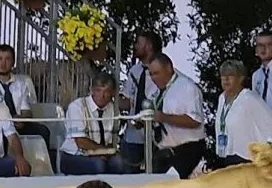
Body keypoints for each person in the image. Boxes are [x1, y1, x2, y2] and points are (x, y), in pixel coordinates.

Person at [212, 59, 272, 168]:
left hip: (245, 159)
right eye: (223, 75)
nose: (226, 79)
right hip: (226, 155)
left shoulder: (249, 98)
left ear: (240, 78)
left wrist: (268, 151)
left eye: (230, 75)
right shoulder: (222, 98)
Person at [0, 44, 52, 159]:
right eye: (0, 59)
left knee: (43, 131)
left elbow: (26, 110)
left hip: (16, 123)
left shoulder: (20, 83)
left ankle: (42, 165)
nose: (3, 63)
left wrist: (22, 119)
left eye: (7, 59)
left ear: (13, 62)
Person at [146, 53, 207, 178]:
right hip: (164, 152)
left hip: (187, 151)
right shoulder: (156, 91)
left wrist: (164, 117)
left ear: (169, 68)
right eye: (151, 74)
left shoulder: (187, 87)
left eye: (156, 73)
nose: (153, 78)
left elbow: (195, 120)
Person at [59, 72, 125, 175]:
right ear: (92, 90)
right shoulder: (77, 106)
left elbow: (112, 138)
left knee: (120, 163)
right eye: (98, 91)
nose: (102, 96)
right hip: (75, 155)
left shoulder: (113, 109)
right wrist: (104, 151)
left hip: (102, 154)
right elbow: (80, 141)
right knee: (99, 165)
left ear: (112, 93)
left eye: (106, 91)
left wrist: (107, 152)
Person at [116, 30, 161, 171]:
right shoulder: (134, 71)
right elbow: (128, 101)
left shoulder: (164, 70)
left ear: (148, 46)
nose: (134, 46)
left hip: (156, 136)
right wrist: (112, 99)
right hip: (133, 136)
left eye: (138, 42)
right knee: (130, 176)